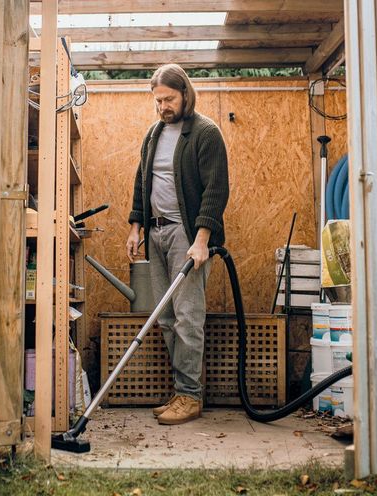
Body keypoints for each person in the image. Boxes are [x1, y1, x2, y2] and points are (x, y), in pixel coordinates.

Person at [125, 64, 229, 425]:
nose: (163, 106)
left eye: (168, 99)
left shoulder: (205, 133)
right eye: (157, 101)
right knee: (166, 317)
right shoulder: (153, 135)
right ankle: (180, 392)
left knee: (187, 317)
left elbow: (216, 190)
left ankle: (190, 395)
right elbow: (142, 181)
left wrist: (202, 240)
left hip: (187, 235)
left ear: (185, 93)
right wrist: (136, 227)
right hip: (155, 234)